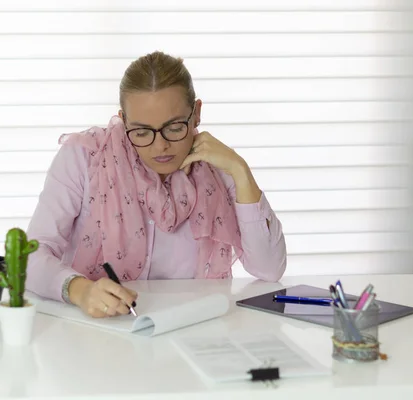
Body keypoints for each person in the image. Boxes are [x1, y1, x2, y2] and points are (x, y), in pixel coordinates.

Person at [25, 51, 287, 318]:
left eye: (174, 128)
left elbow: (269, 269)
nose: (160, 145)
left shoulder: (218, 165)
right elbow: (31, 256)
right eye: (141, 132)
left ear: (196, 114)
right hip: (99, 332)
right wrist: (80, 291)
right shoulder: (84, 158)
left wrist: (241, 171)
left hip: (188, 329)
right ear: (123, 120)